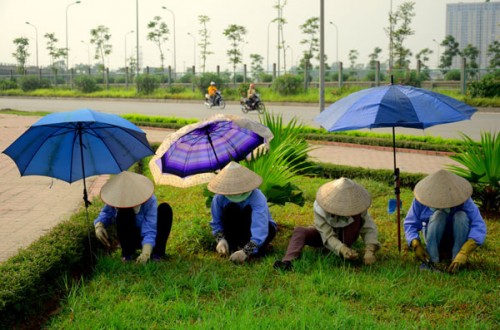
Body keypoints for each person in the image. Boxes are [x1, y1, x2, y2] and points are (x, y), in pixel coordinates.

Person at [274, 177, 380, 271]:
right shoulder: (321, 206)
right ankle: (288, 262)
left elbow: (369, 228)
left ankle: (347, 252)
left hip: (348, 233)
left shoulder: (358, 206)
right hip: (323, 235)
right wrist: (340, 248)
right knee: (300, 231)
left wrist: (370, 250)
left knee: (353, 229)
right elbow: (326, 234)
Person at [404, 169, 487, 273]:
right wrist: (415, 244)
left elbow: (478, 225)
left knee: (461, 216)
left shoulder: (464, 200)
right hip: (432, 236)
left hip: (457, 237)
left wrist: (464, 252)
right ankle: (432, 260)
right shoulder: (421, 199)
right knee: (438, 215)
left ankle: (456, 259)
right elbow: (410, 223)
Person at [94, 171, 173, 264]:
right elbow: (106, 213)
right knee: (123, 212)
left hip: (151, 238)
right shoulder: (117, 198)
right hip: (130, 236)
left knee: (165, 209)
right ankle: (127, 254)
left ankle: (157, 253)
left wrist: (146, 251)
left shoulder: (150, 199)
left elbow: (150, 226)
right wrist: (99, 225)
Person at [208, 161, 277, 263]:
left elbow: (260, 227)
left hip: (260, 230)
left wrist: (246, 251)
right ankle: (232, 245)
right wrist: (220, 240)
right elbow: (216, 222)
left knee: (248, 211)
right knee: (230, 208)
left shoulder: (257, 197)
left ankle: (254, 248)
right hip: (234, 229)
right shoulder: (219, 198)